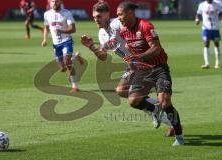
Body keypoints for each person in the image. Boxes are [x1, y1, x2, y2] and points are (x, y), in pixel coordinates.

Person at [81, 1, 175, 136]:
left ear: (108, 14)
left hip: (144, 63)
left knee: (134, 96)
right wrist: (91, 47)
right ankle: (155, 109)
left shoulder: (117, 24)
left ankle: (165, 117)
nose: (96, 19)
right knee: (121, 91)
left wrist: (140, 53)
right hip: (131, 65)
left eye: (99, 16)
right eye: (95, 17)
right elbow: (102, 56)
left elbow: (134, 28)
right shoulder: (102, 33)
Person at [116, 1, 184, 146]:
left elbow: (156, 49)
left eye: (120, 14)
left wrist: (138, 57)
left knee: (165, 103)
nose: (118, 18)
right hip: (143, 70)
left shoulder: (145, 26)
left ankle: (179, 136)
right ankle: (154, 110)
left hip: (159, 68)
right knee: (133, 100)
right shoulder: (123, 31)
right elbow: (133, 51)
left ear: (129, 13)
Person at [42, 0, 82, 92]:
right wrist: (44, 39)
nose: (54, 3)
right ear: (50, 2)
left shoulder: (66, 13)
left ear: (60, 2)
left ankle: (75, 86)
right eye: (52, 1)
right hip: (56, 44)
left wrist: (61, 31)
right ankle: (75, 57)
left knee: (67, 62)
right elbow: (46, 28)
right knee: (63, 69)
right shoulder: (47, 14)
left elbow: (73, 29)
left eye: (56, 1)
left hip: (66, 41)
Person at [195, 0, 222, 69]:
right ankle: (207, 63)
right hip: (206, 28)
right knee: (206, 44)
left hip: (215, 27)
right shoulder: (202, 5)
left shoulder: (217, 5)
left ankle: (217, 63)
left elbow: (221, 14)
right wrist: (197, 20)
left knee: (216, 44)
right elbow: (198, 14)